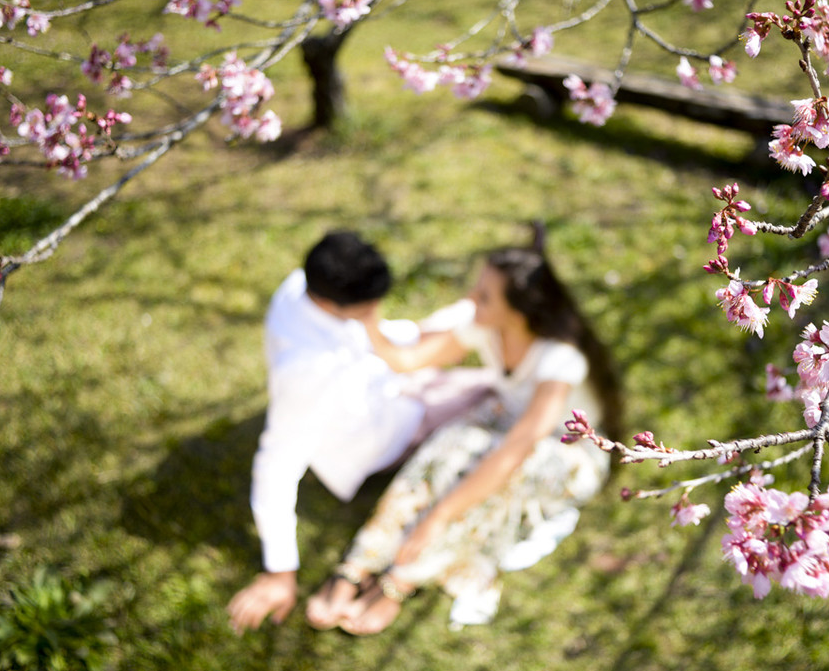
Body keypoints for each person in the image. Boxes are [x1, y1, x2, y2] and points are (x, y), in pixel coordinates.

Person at [304, 236, 622, 634]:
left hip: (569, 451)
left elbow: (518, 450)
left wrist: (439, 517)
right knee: (449, 444)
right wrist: (367, 315)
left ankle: (401, 579)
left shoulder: (560, 359)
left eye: (484, 296)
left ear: (519, 311)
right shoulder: (486, 327)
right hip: (508, 424)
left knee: (493, 482)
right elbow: (407, 361)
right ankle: (360, 562)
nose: (471, 299)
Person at [226, 231, 488, 634]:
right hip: (388, 430)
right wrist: (280, 571)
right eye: (369, 307)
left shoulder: (302, 285)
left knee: (447, 337)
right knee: (500, 391)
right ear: (332, 303)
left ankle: (480, 306)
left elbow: (371, 339)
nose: (376, 310)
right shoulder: (307, 373)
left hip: (378, 382)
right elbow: (276, 465)